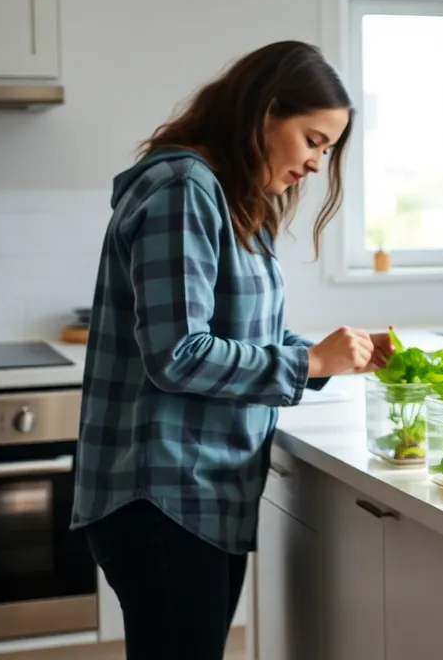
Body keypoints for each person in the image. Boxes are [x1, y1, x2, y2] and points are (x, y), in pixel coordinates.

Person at [71, 41, 393, 659]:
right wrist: (310, 363)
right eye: (312, 140)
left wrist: (336, 355)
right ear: (264, 113)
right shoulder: (183, 190)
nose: (318, 164)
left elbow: (241, 335)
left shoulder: (228, 196)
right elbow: (178, 355)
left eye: (327, 149)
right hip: (162, 493)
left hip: (199, 493)